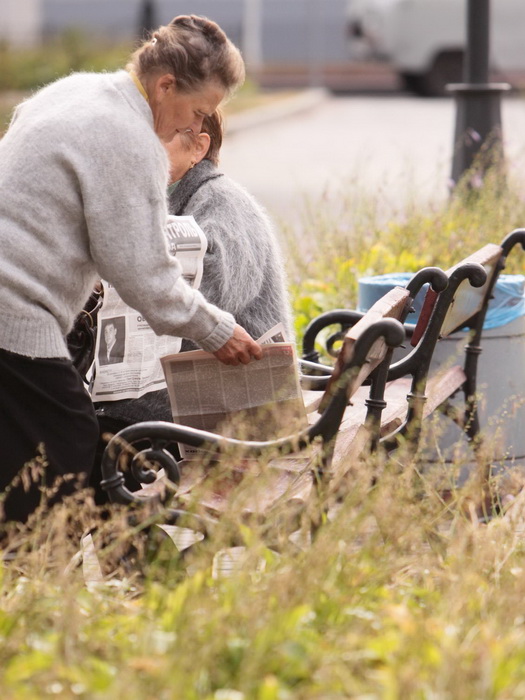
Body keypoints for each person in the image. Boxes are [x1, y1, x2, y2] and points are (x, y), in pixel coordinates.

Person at [0, 15, 262, 524]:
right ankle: (35, 561)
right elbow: (145, 277)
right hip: (15, 308)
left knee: (26, 441)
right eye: (197, 111)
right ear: (166, 85)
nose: (193, 128)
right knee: (67, 440)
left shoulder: (77, 90)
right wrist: (217, 331)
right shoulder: (130, 139)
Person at [91, 110, 293, 498]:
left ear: (198, 148)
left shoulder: (223, 202)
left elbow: (215, 295)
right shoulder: (166, 200)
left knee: (92, 435)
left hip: (232, 403)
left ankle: (116, 533)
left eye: (157, 137)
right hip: (196, 391)